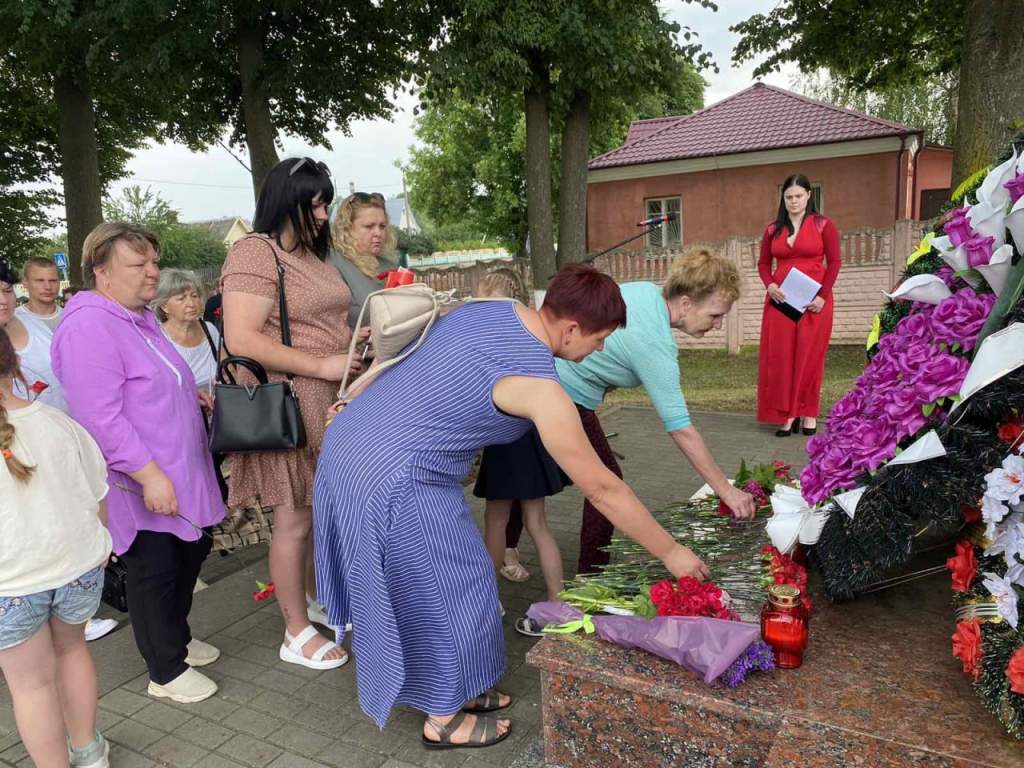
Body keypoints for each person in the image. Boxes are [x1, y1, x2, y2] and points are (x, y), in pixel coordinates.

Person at [314, 263, 711, 750]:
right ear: (570, 329)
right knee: (446, 589)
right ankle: (441, 716)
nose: (601, 350)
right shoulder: (539, 386)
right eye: (600, 339)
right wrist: (672, 553)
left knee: (472, 580)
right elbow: (603, 489)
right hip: (393, 473)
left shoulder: (492, 309)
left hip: (358, 442)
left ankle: (460, 687)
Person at [51, 222, 225, 704]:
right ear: (102, 271)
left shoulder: (139, 316)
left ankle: (178, 640)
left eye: (153, 261)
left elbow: (156, 379)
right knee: (155, 569)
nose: (153, 272)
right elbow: (99, 415)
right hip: (139, 476)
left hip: (180, 464)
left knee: (188, 555)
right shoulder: (89, 325)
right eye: (139, 264)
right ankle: (164, 670)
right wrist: (148, 473)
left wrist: (193, 396)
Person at [221, 157, 356, 670]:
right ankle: (294, 631)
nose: (324, 213)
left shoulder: (310, 256)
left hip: (328, 400)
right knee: (295, 520)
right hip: (292, 404)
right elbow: (242, 338)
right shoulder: (255, 252)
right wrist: (322, 360)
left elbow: (313, 322)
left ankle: (315, 602)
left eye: (326, 202)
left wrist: (350, 340)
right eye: (317, 203)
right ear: (288, 200)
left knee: (320, 517)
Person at [556, 249, 757, 577]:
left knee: (527, 478)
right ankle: (588, 578)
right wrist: (727, 490)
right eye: (715, 315)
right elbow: (680, 428)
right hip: (565, 395)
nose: (718, 325)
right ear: (687, 303)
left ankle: (509, 550)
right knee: (607, 486)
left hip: (554, 380)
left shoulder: (646, 292)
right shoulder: (656, 344)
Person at [0, 328, 114, 768]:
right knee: (73, 651)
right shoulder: (59, 423)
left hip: (11, 585)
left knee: (30, 686)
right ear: (14, 364)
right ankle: (89, 751)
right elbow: (98, 493)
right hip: (78, 568)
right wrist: (99, 546)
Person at [473, 269, 570, 622]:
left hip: (504, 435)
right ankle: (557, 598)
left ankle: (488, 599)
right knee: (537, 523)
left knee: (495, 521)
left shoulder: (485, 337)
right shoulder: (532, 334)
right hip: (532, 435)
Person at [756, 174, 841, 436]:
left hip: (813, 302)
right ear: (783, 199)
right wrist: (769, 284)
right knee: (781, 359)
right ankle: (787, 414)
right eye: (789, 197)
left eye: (798, 196)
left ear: (808, 196)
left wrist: (822, 297)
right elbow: (763, 264)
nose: (793, 201)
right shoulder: (773, 230)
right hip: (780, 302)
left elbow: (835, 262)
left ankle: (809, 414)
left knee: (810, 358)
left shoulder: (823, 225)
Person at [328, 192, 399, 329]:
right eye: (369, 226)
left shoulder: (390, 265)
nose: (378, 233)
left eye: (382, 226)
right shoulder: (332, 264)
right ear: (347, 228)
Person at [17, 256, 63, 331]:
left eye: (53, 281)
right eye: (40, 281)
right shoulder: (12, 320)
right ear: (25, 282)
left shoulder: (70, 318)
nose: (48, 287)